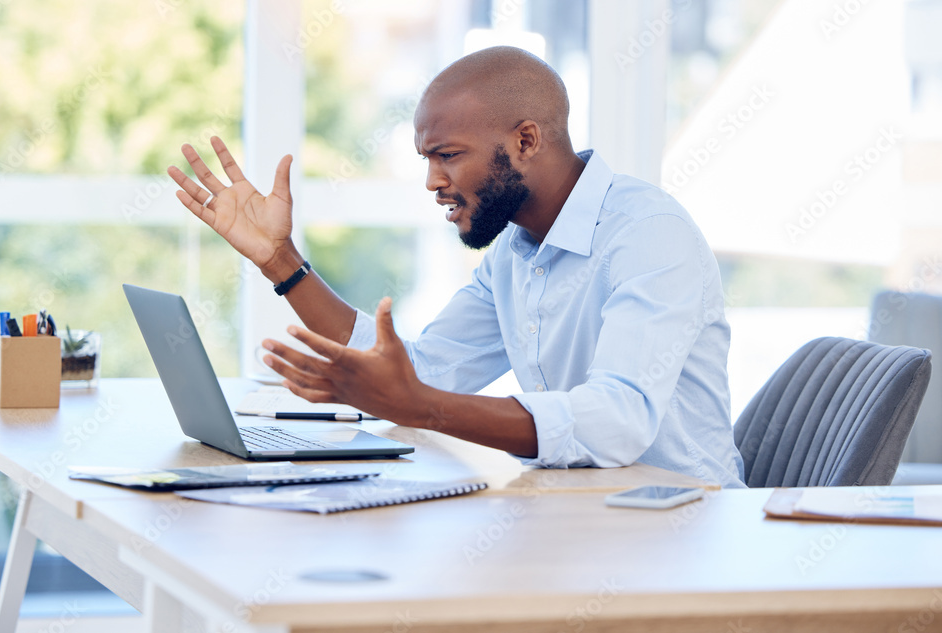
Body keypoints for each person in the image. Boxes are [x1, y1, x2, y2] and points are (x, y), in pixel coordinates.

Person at [168, 46, 745, 488]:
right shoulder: (516, 255)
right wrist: (279, 260)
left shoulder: (647, 235)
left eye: (447, 155)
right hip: (589, 516)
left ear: (525, 140)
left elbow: (619, 420)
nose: (432, 181)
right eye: (427, 159)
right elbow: (424, 373)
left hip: (686, 532)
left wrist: (423, 407)